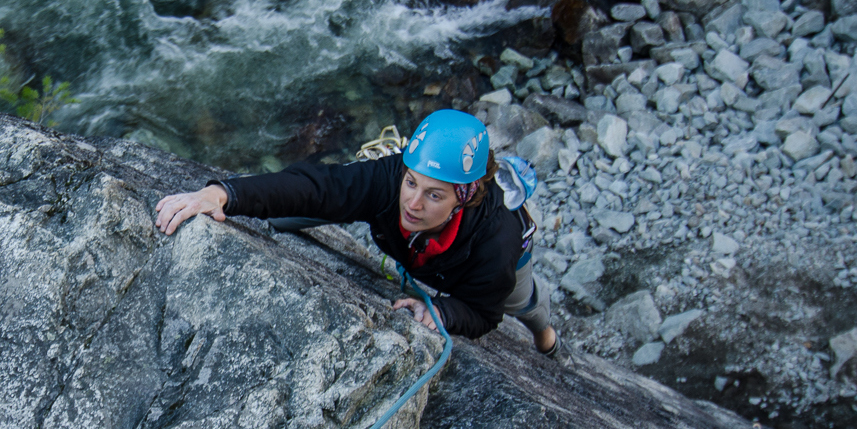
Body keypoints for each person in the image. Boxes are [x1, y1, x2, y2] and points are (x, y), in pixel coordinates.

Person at [153, 109, 562, 355]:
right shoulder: (391, 178)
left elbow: (484, 314)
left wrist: (444, 312)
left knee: (522, 302)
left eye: (434, 194)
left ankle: (546, 335)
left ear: (464, 198)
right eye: (411, 182)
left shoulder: (496, 242)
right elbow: (318, 187)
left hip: (497, 263)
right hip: (422, 246)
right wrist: (224, 193)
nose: (413, 203)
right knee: (314, 206)